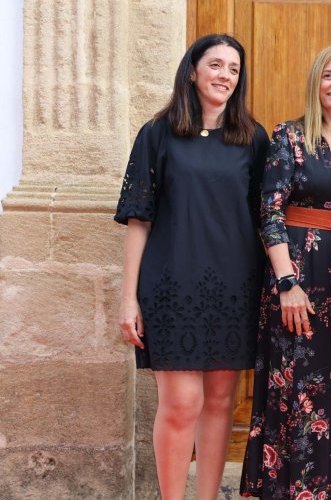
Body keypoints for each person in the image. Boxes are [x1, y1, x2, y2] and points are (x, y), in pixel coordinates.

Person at [114, 34, 269, 500]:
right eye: (216, 65)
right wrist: (128, 297)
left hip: (235, 285)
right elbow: (138, 220)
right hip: (171, 285)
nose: (224, 75)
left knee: (220, 403)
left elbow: (268, 216)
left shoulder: (252, 138)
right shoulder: (157, 134)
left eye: (234, 69)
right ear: (193, 71)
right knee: (182, 404)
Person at [240, 45, 331, 499]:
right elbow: (270, 213)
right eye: (329, 75)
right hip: (297, 274)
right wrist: (286, 283)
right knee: (296, 382)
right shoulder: (290, 136)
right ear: (316, 84)